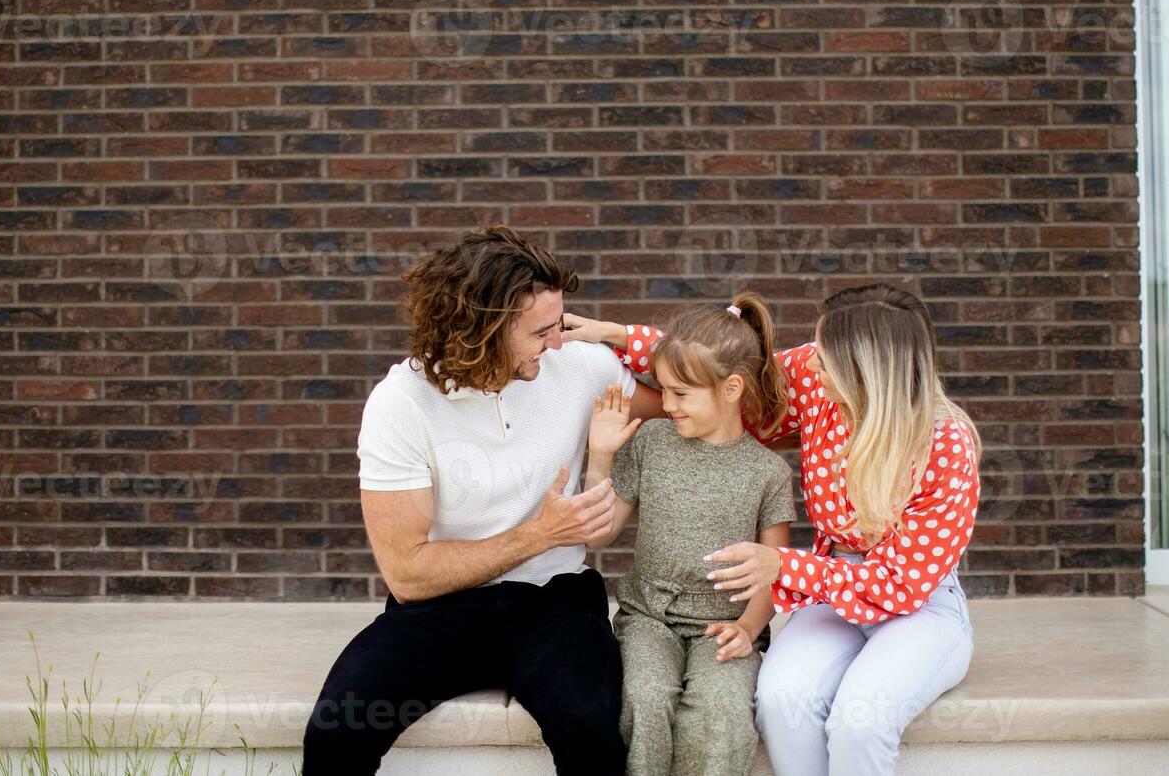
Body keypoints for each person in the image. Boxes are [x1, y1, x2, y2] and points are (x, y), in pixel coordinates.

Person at [564, 283, 981, 776]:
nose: (808, 363)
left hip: (919, 604)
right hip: (830, 587)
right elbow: (719, 362)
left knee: (860, 719)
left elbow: (902, 585)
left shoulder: (947, 446)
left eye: (824, 358)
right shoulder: (818, 383)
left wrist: (785, 567)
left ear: (866, 372)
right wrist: (618, 334)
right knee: (781, 701)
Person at [301, 225, 664, 776]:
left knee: (590, 725)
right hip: (438, 610)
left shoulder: (584, 367)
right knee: (336, 730)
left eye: (559, 325)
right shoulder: (400, 404)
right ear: (481, 330)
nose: (559, 342)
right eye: (542, 332)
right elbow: (409, 573)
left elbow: (706, 391)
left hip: (554, 602)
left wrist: (620, 334)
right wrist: (538, 533)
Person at [584, 294, 796, 776]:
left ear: (732, 388)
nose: (667, 404)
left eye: (681, 393)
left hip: (724, 624)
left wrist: (748, 627)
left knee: (720, 711)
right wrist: (600, 456)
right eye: (663, 390)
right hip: (649, 618)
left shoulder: (766, 472)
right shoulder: (652, 442)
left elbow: (774, 571)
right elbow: (599, 532)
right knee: (645, 697)